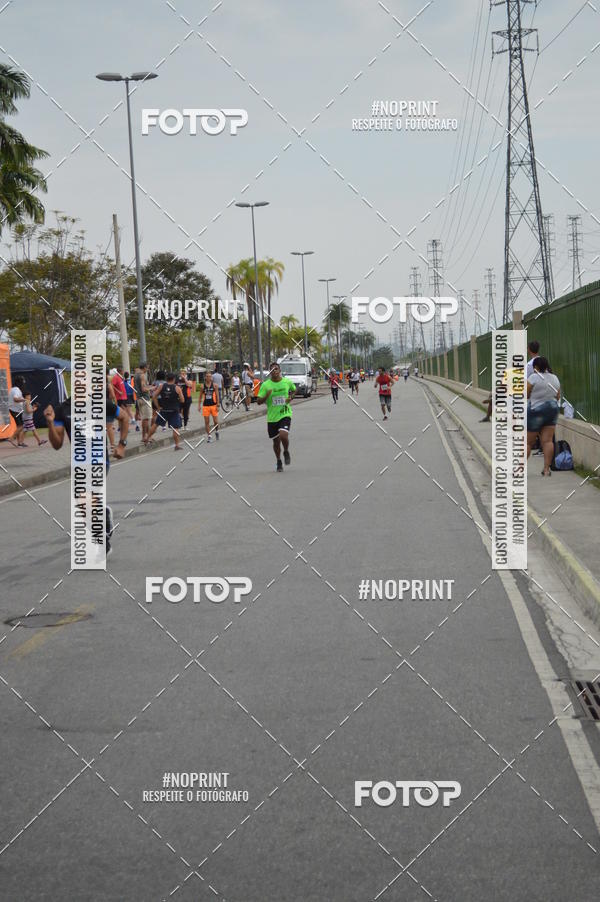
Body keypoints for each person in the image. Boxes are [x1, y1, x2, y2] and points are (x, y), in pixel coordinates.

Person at [44, 395, 114, 554]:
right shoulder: (62, 409)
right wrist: (49, 423)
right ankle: (103, 515)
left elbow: (122, 417)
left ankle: (103, 543)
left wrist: (121, 444)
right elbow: (57, 445)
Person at [257, 361, 295, 472]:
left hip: (285, 413)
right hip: (272, 417)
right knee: (276, 442)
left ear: (279, 371)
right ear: (270, 372)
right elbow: (259, 401)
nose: (275, 371)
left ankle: (286, 451)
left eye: (276, 369)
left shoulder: (286, 382)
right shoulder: (266, 385)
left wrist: (291, 397)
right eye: (272, 370)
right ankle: (278, 460)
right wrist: (266, 396)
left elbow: (293, 389)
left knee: (283, 435)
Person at [526, 357, 560, 477]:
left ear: (535, 367)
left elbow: (525, 394)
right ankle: (546, 470)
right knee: (547, 441)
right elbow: (558, 396)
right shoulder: (554, 378)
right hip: (552, 410)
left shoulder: (533, 377)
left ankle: (519, 470)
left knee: (528, 442)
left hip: (536, 411)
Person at [145, 373, 184, 450]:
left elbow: (154, 396)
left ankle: (147, 438)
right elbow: (182, 400)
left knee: (156, 425)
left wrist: (158, 406)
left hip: (164, 410)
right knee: (175, 428)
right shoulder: (177, 388)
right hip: (174, 411)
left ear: (167, 379)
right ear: (173, 379)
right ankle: (177, 445)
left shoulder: (161, 386)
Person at [198, 372, 220, 442]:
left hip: (213, 405)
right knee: (207, 422)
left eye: (210, 377)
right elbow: (200, 396)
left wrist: (218, 404)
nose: (209, 378)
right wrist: (199, 405)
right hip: (206, 406)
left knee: (216, 421)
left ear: (211, 378)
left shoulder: (214, 385)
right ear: (205, 378)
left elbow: (217, 395)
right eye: (207, 376)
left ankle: (216, 431)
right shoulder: (202, 386)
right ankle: (209, 436)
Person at [134, 363, 153, 443]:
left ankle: (148, 436)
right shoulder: (142, 376)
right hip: (145, 399)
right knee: (146, 419)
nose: (147, 370)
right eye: (147, 368)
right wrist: (152, 388)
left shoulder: (136, 375)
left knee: (145, 418)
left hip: (139, 398)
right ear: (144, 368)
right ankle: (145, 437)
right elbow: (144, 389)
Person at [8, 375, 26, 446]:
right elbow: (15, 399)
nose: (23, 384)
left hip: (14, 410)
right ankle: (11, 438)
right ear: (20, 382)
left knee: (19, 426)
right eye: (22, 382)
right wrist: (24, 399)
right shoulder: (16, 390)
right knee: (21, 426)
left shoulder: (13, 389)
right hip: (16, 410)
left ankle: (19, 443)